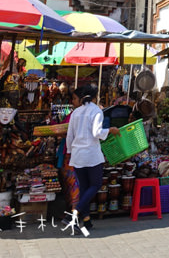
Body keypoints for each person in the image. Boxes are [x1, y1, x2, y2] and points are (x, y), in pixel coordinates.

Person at [65, 85, 118, 234]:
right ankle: (74, 215)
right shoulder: (96, 110)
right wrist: (110, 130)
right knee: (95, 184)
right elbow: (97, 133)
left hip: (77, 154)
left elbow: (70, 135)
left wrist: (70, 152)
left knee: (84, 187)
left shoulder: (76, 112)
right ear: (94, 97)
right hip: (91, 155)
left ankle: (86, 220)